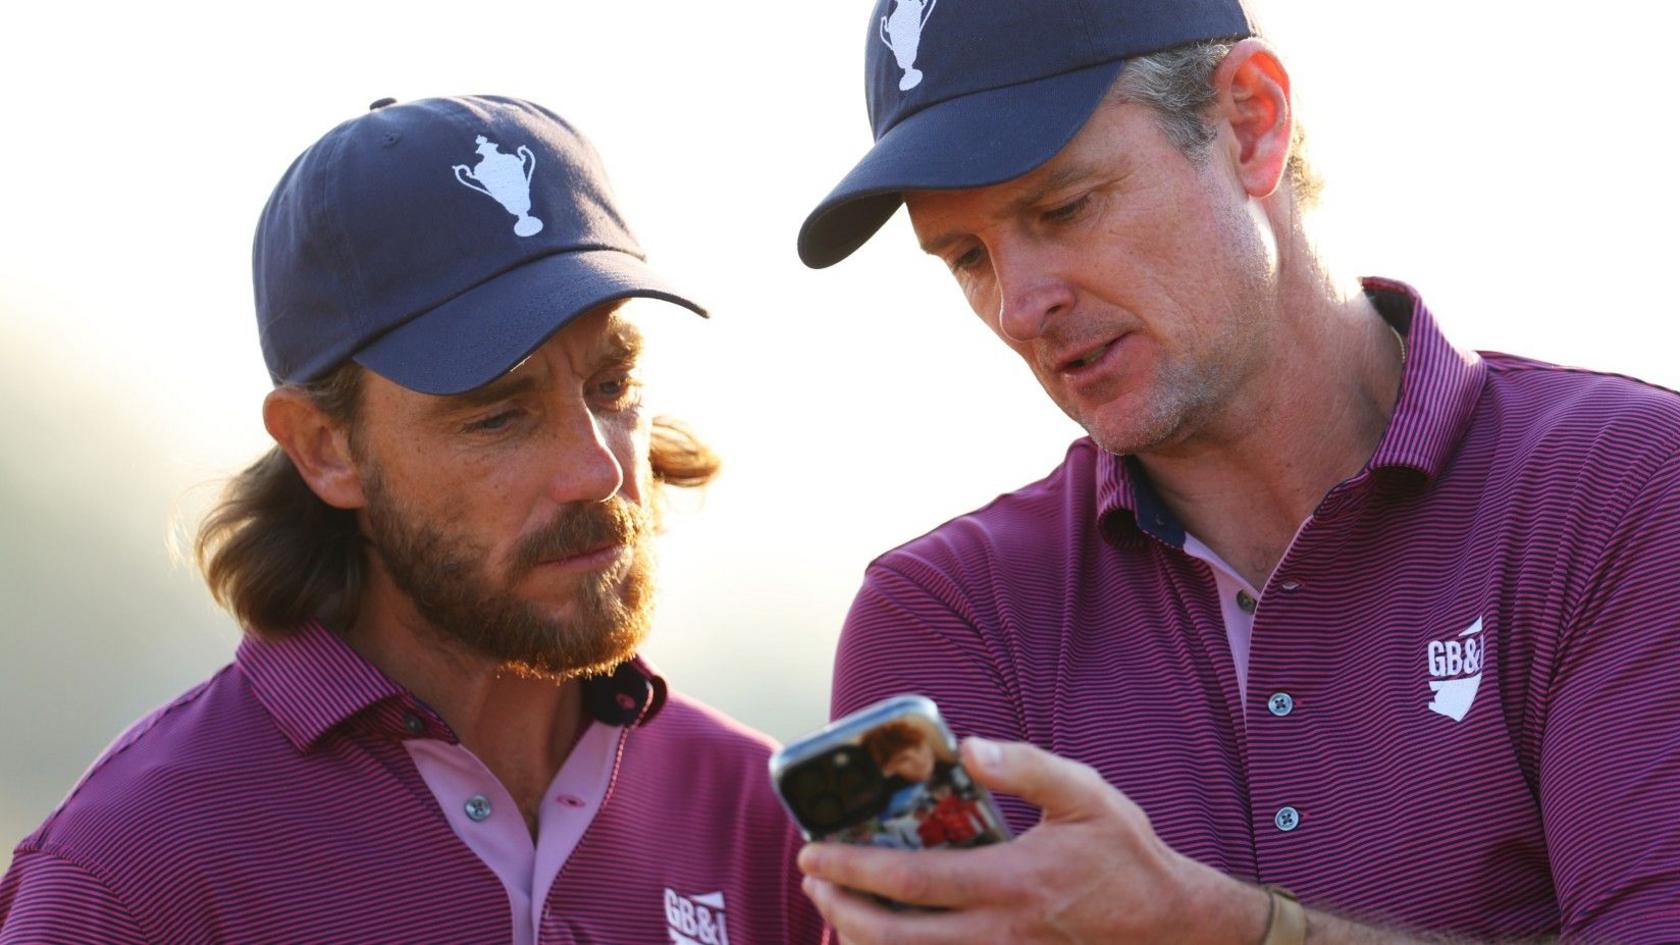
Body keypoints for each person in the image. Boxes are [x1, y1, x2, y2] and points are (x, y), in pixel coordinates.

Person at [793, 1, 1680, 943]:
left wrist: (1218, 927)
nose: (1019, 306)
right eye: (966, 256)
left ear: (1252, 122)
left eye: (1063, 206)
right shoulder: (943, 614)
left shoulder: (1622, 487)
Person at [0, 95, 826, 945]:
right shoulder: (131, 869)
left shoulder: (767, 823)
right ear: (326, 448)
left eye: (611, 387)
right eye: (498, 415)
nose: (601, 468)